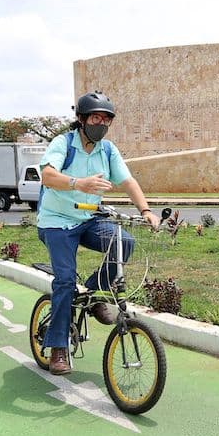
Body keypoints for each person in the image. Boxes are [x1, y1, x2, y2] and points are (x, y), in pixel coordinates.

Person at [37, 91, 160, 375]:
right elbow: (47, 176)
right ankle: (58, 347)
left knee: (124, 242)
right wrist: (78, 183)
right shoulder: (63, 143)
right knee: (65, 281)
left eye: (106, 119)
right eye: (95, 118)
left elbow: (128, 181)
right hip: (56, 222)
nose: (101, 124)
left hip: (89, 219)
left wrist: (146, 211)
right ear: (81, 119)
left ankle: (92, 295)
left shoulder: (107, 150)